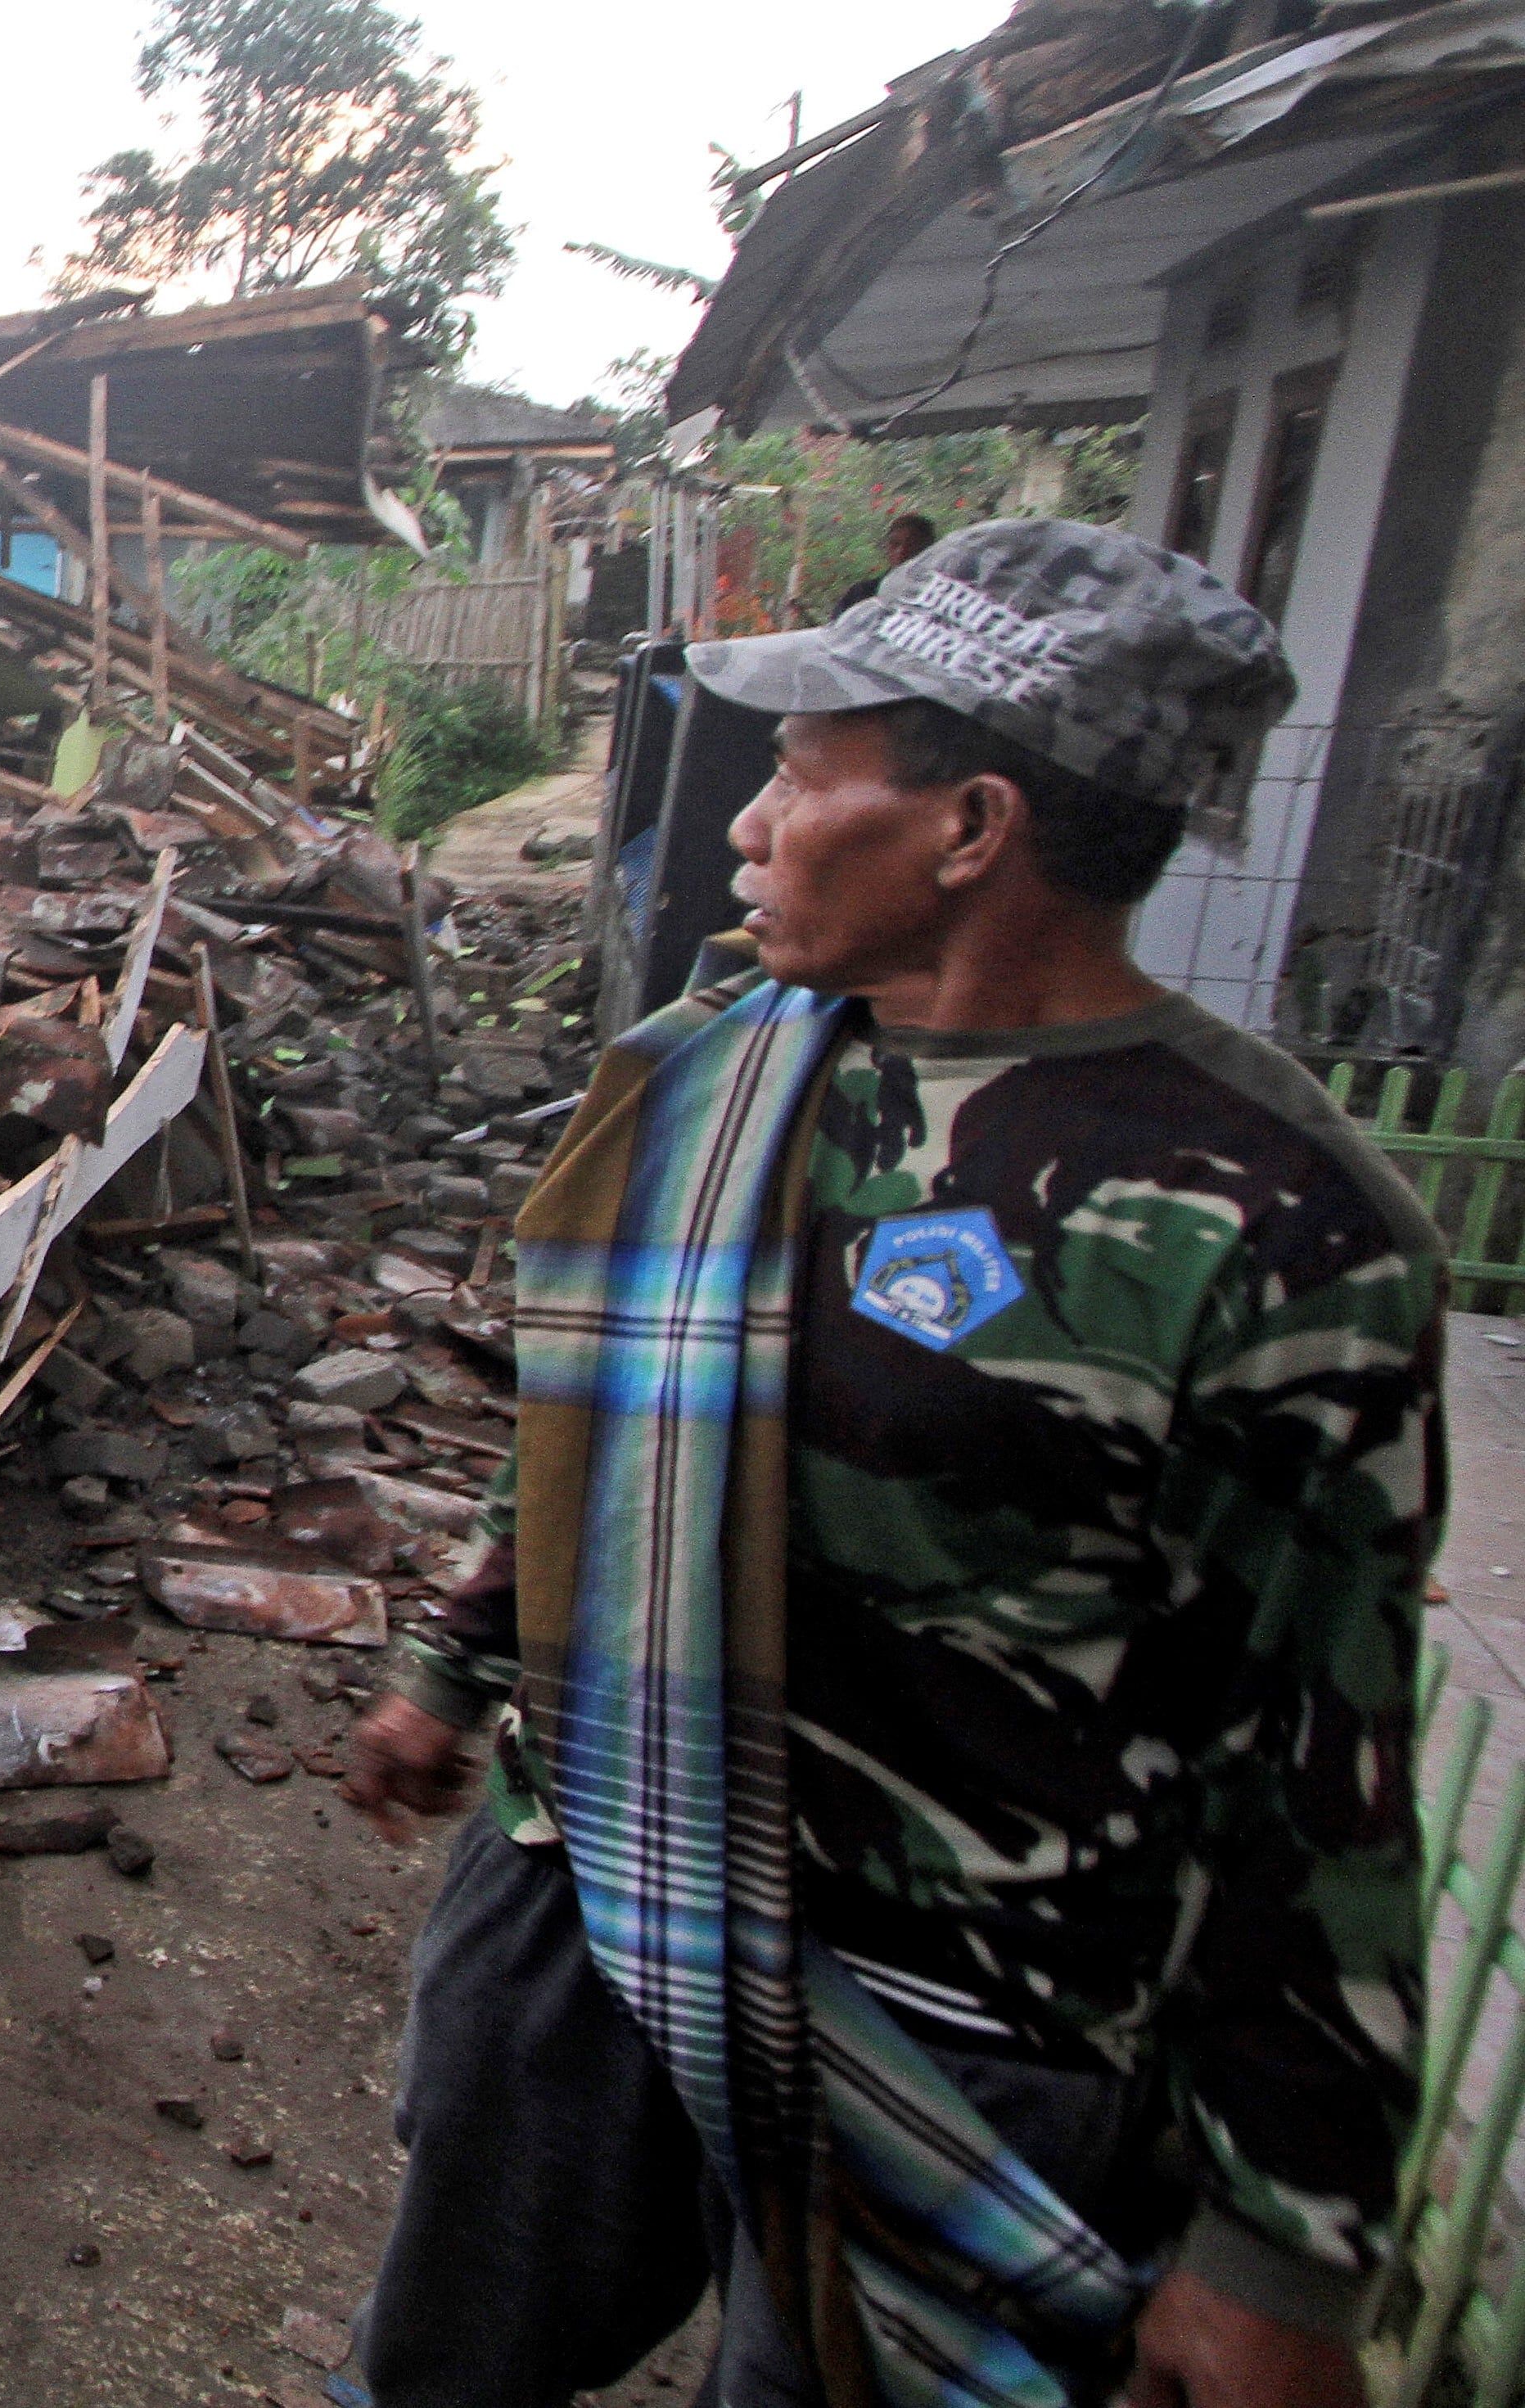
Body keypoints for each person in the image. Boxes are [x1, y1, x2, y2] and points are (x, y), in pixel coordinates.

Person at [341, 520, 1438, 2408]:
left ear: (969, 825)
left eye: (799, 770)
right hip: (591, 1891)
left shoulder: (1273, 1235)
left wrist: (1286, 2248)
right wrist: (458, 1659)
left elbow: (1305, 1763)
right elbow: (589, 1419)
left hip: (958, 2025)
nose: (749, 824)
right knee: (447, 2366)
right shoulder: (708, 1064)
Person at [834, 512, 938, 617]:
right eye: (895, 544)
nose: (901, 552)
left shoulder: (939, 599)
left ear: (928, 550)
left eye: (912, 545)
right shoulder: (861, 593)